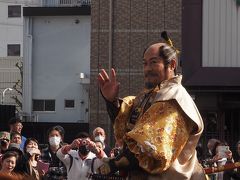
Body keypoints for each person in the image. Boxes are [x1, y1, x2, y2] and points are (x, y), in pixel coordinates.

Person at [97, 32, 205, 179]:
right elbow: (126, 126)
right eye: (145, 63)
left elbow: (151, 146)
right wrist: (112, 101)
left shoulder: (173, 98)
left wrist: (115, 164)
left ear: (172, 64)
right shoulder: (148, 96)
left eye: (154, 62)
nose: (147, 68)